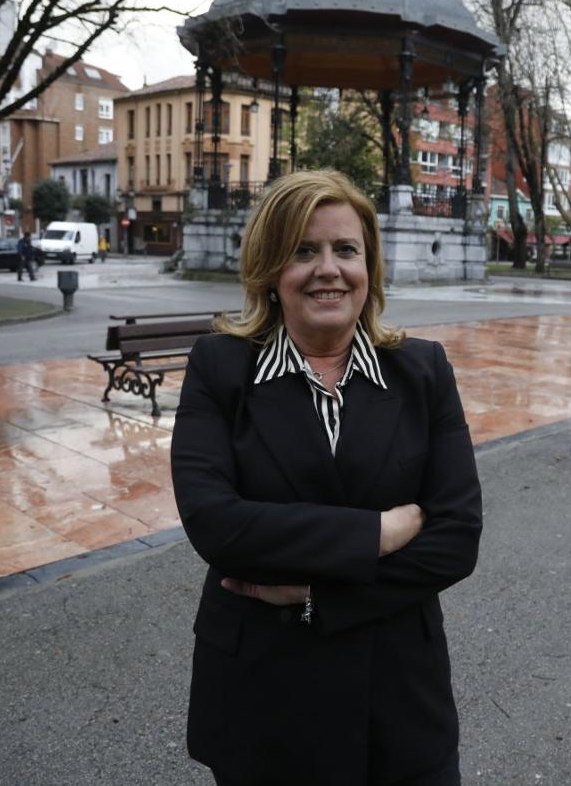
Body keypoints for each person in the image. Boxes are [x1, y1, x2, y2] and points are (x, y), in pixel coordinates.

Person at [171, 170, 482, 786]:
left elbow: (456, 540)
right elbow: (218, 526)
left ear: (370, 266)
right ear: (269, 269)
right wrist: (377, 534)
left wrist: (316, 595)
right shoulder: (220, 368)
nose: (328, 269)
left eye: (346, 250)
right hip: (263, 693)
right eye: (303, 251)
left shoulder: (423, 371)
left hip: (396, 691)